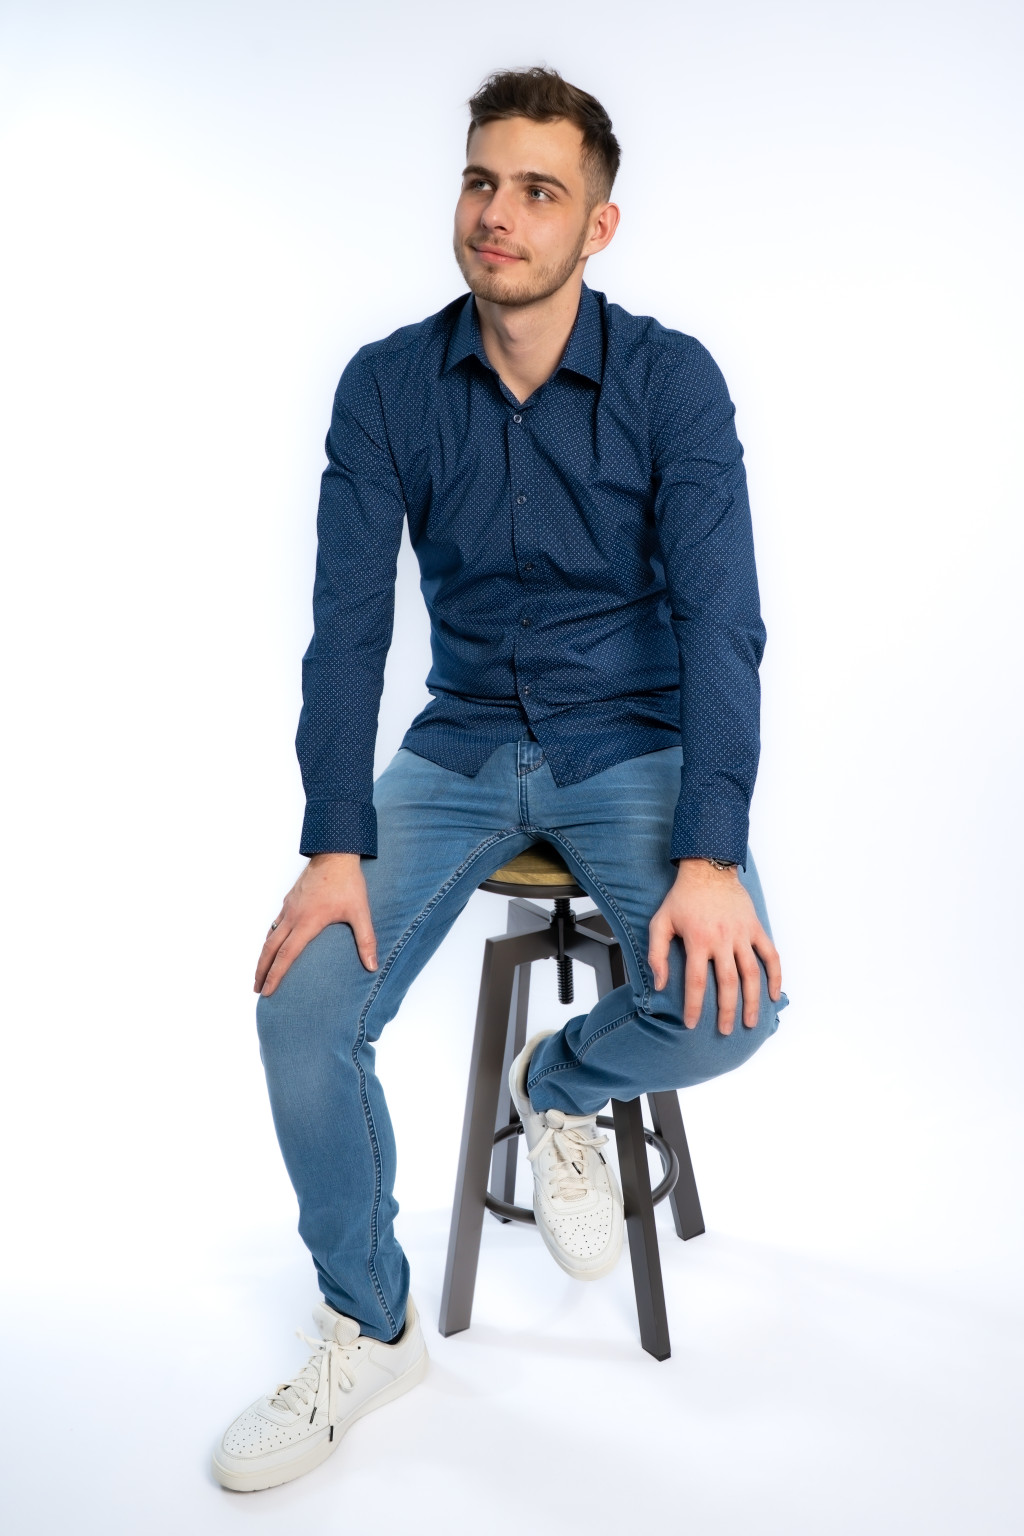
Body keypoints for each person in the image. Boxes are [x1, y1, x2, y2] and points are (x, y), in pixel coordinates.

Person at [212, 65, 790, 1493]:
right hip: (463, 739)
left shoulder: (670, 381)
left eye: (539, 190)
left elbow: (723, 622)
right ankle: (371, 1322)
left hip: (630, 739)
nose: (498, 214)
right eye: (482, 180)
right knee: (301, 1008)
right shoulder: (389, 385)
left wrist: (711, 854)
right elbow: (348, 628)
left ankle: (562, 1082)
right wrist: (333, 842)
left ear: (597, 226)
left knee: (736, 1007)